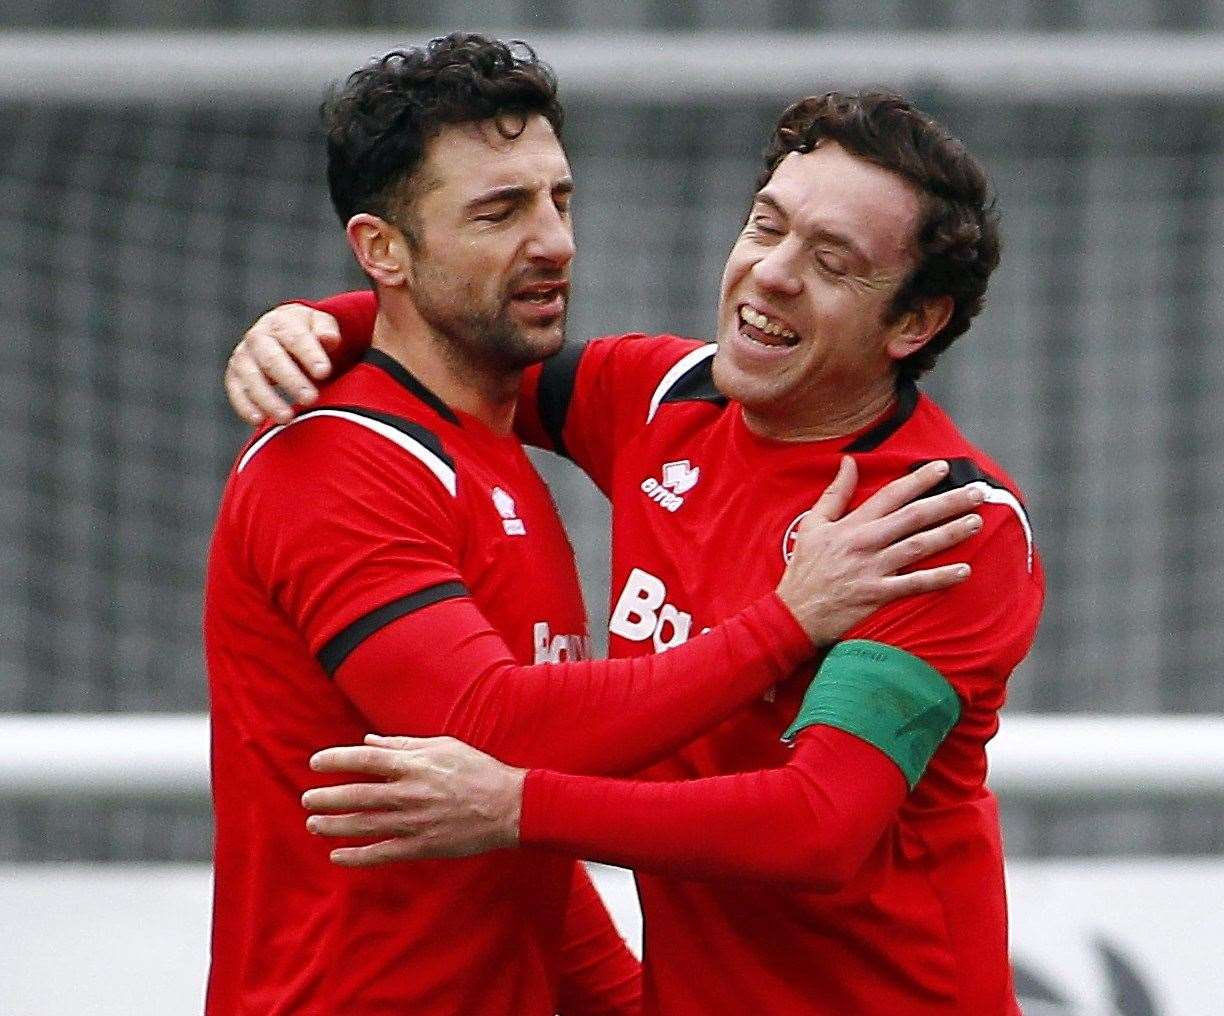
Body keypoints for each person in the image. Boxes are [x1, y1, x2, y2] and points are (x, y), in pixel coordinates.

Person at [207, 36, 983, 1016]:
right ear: (383, 247)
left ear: (913, 322)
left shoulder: (937, 521)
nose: (554, 242)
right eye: (500, 211)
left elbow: (814, 823)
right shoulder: (358, 459)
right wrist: (325, 321)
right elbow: (490, 740)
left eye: (559, 202)